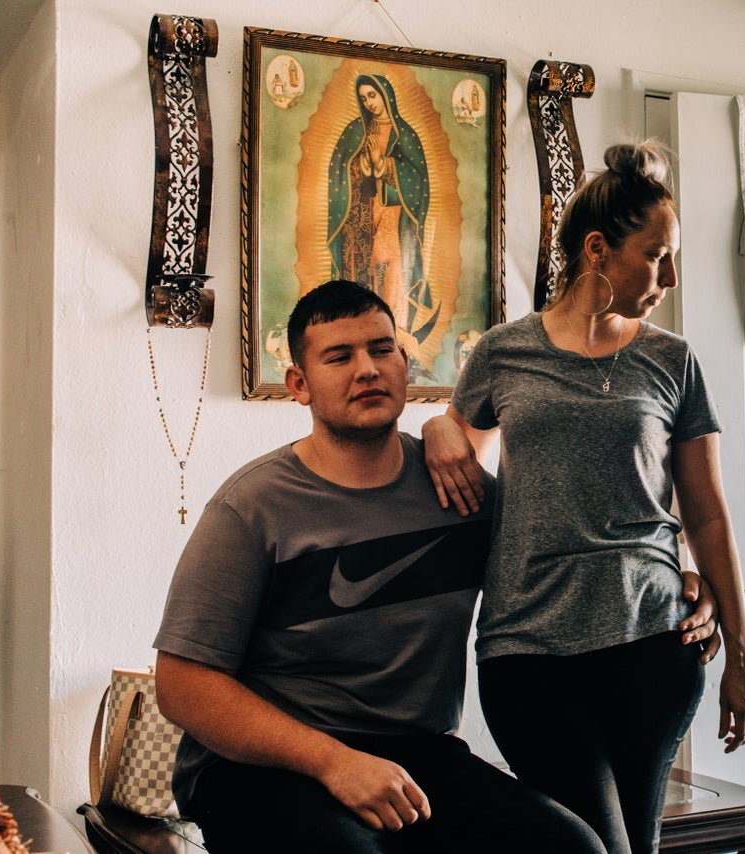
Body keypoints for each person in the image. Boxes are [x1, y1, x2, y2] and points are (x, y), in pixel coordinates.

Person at [154, 281, 630, 852]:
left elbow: (567, 564)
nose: (368, 370)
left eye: (383, 350)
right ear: (298, 385)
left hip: (416, 754)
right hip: (259, 767)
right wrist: (334, 762)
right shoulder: (252, 507)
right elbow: (182, 687)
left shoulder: (459, 492)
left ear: (406, 364)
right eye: (339, 356)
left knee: (571, 847)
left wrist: (683, 579)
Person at [422, 141, 745, 854]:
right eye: (656, 254)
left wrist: (742, 653)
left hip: (650, 644)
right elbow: (461, 463)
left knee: (630, 846)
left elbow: (705, 512)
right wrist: (436, 426)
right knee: (585, 845)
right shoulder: (503, 352)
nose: (669, 276)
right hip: (526, 651)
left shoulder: (672, 360)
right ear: (599, 251)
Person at [327, 75, 438, 368]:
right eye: (363, 98)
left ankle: (392, 335)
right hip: (360, 216)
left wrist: (385, 166)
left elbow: (417, 181)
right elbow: (339, 172)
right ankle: (358, 334)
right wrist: (359, 168)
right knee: (361, 271)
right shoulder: (355, 131)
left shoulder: (405, 135)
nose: (369, 103)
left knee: (392, 270)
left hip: (392, 216)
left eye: (372, 96)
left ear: (385, 95)